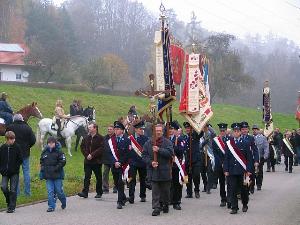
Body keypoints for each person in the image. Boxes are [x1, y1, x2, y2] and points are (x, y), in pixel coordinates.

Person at [142, 123, 174, 216]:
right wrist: (151, 162)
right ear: (154, 132)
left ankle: (165, 204)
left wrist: (159, 150)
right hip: (154, 171)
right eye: (157, 131)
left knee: (165, 191)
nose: (158, 132)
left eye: (160, 131)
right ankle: (156, 207)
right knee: (155, 191)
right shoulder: (148, 143)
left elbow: (170, 153)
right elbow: (144, 155)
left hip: (165, 170)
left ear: (163, 131)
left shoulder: (167, 142)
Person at [223, 123, 253, 214]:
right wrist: (226, 170)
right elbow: (226, 157)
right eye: (234, 131)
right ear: (232, 132)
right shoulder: (229, 143)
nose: (236, 133)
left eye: (237, 131)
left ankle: (244, 204)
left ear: (240, 132)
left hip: (242, 171)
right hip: (232, 171)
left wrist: (248, 170)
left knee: (244, 190)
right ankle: (234, 207)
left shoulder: (246, 143)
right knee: (232, 189)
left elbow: (249, 158)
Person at [6, 114, 36, 196]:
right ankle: (27, 192)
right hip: (25, 154)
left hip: (14, 154)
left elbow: (7, 139)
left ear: (14, 119)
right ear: (22, 119)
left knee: (16, 173)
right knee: (26, 172)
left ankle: (17, 192)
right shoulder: (27, 127)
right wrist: (27, 146)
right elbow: (33, 140)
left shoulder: (10, 127)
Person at [78, 122, 104, 198]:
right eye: (88, 127)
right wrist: (87, 155)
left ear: (95, 128)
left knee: (98, 177)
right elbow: (82, 147)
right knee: (87, 176)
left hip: (96, 161)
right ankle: (85, 192)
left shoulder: (100, 138)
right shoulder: (86, 137)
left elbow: (101, 148)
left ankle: (99, 192)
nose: (88, 129)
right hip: (87, 161)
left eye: (90, 127)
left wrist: (92, 155)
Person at [40, 137, 66, 212]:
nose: (51, 144)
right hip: (48, 176)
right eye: (49, 143)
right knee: (50, 191)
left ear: (55, 143)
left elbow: (63, 161)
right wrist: (42, 169)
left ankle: (63, 201)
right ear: (47, 144)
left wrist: (56, 168)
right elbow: (41, 161)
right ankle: (51, 206)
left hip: (57, 175)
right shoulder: (45, 152)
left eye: (52, 143)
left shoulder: (59, 152)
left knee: (59, 191)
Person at [0, 131, 23, 213]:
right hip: (5, 172)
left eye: (14, 139)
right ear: (7, 139)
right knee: (3, 187)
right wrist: (1, 169)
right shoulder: (2, 148)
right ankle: (9, 201)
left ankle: (12, 207)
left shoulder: (17, 147)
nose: (13, 140)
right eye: (11, 139)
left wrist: (15, 168)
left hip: (14, 173)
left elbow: (20, 159)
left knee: (13, 189)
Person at [110, 121, 130, 209]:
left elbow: (127, 154)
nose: (116, 131)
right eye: (115, 129)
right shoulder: (111, 140)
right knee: (116, 183)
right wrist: (114, 162)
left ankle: (119, 202)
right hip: (114, 165)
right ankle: (124, 198)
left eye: (118, 129)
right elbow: (108, 153)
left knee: (120, 182)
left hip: (123, 165)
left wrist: (120, 162)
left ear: (122, 131)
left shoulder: (127, 140)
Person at [127, 119, 148, 204]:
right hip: (133, 163)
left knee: (143, 180)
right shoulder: (130, 139)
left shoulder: (146, 139)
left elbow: (146, 151)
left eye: (142, 129)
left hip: (142, 162)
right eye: (140, 129)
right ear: (135, 129)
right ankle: (131, 196)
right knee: (132, 180)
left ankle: (143, 195)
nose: (141, 130)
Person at [212, 123, 230, 207]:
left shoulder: (230, 139)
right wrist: (221, 163)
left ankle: (230, 198)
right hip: (220, 165)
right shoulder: (215, 140)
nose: (222, 132)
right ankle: (223, 199)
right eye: (221, 130)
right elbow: (215, 154)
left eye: (224, 130)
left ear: (226, 131)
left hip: (229, 164)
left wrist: (226, 163)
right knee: (222, 183)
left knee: (230, 183)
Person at [169, 121, 186, 210]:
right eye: (170, 129)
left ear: (176, 130)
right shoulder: (167, 139)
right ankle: (171, 199)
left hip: (176, 165)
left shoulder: (179, 139)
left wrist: (173, 147)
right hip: (169, 164)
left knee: (177, 184)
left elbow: (181, 151)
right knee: (170, 183)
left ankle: (177, 201)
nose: (171, 131)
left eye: (172, 129)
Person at [183, 122, 203, 199]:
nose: (187, 129)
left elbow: (200, 133)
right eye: (186, 128)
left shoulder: (195, 136)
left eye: (189, 128)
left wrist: (197, 126)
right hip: (187, 160)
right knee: (187, 177)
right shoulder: (184, 137)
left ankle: (197, 191)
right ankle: (189, 192)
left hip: (196, 160)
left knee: (196, 176)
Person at [240, 121, 258, 194]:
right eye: (243, 129)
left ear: (248, 130)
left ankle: (251, 186)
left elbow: (255, 150)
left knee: (250, 176)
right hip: (241, 160)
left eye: (246, 129)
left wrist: (256, 161)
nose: (244, 130)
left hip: (249, 160)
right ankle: (244, 190)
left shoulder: (251, 138)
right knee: (242, 176)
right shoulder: (238, 138)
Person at [252, 125, 269, 190]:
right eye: (253, 129)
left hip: (260, 157)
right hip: (252, 158)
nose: (254, 130)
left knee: (259, 172)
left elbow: (266, 147)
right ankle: (251, 185)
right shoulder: (251, 137)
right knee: (251, 172)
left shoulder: (263, 138)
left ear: (258, 130)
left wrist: (265, 156)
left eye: (256, 129)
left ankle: (259, 184)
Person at [102, 124, 116, 194]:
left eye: (110, 129)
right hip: (106, 159)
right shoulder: (104, 138)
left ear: (113, 130)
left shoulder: (116, 138)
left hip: (114, 159)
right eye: (108, 129)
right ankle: (105, 188)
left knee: (115, 173)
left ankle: (116, 187)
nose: (109, 131)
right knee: (105, 173)